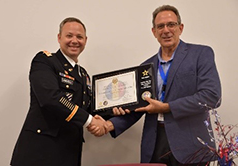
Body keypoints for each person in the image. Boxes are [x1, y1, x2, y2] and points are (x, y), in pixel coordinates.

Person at [89, 5, 222, 166]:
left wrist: (166, 107)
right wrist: (108, 124)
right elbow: (138, 108)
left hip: (191, 146)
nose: (166, 30)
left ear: (180, 28)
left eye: (171, 24)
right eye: (160, 26)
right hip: (154, 144)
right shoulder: (145, 67)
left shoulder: (200, 54)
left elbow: (211, 96)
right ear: (154, 32)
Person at [10, 17, 113, 166]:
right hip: (40, 151)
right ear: (59, 38)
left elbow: (89, 108)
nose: (74, 41)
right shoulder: (45, 61)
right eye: (69, 36)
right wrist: (90, 121)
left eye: (79, 37)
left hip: (69, 151)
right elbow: (51, 98)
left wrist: (114, 111)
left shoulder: (83, 75)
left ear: (86, 40)